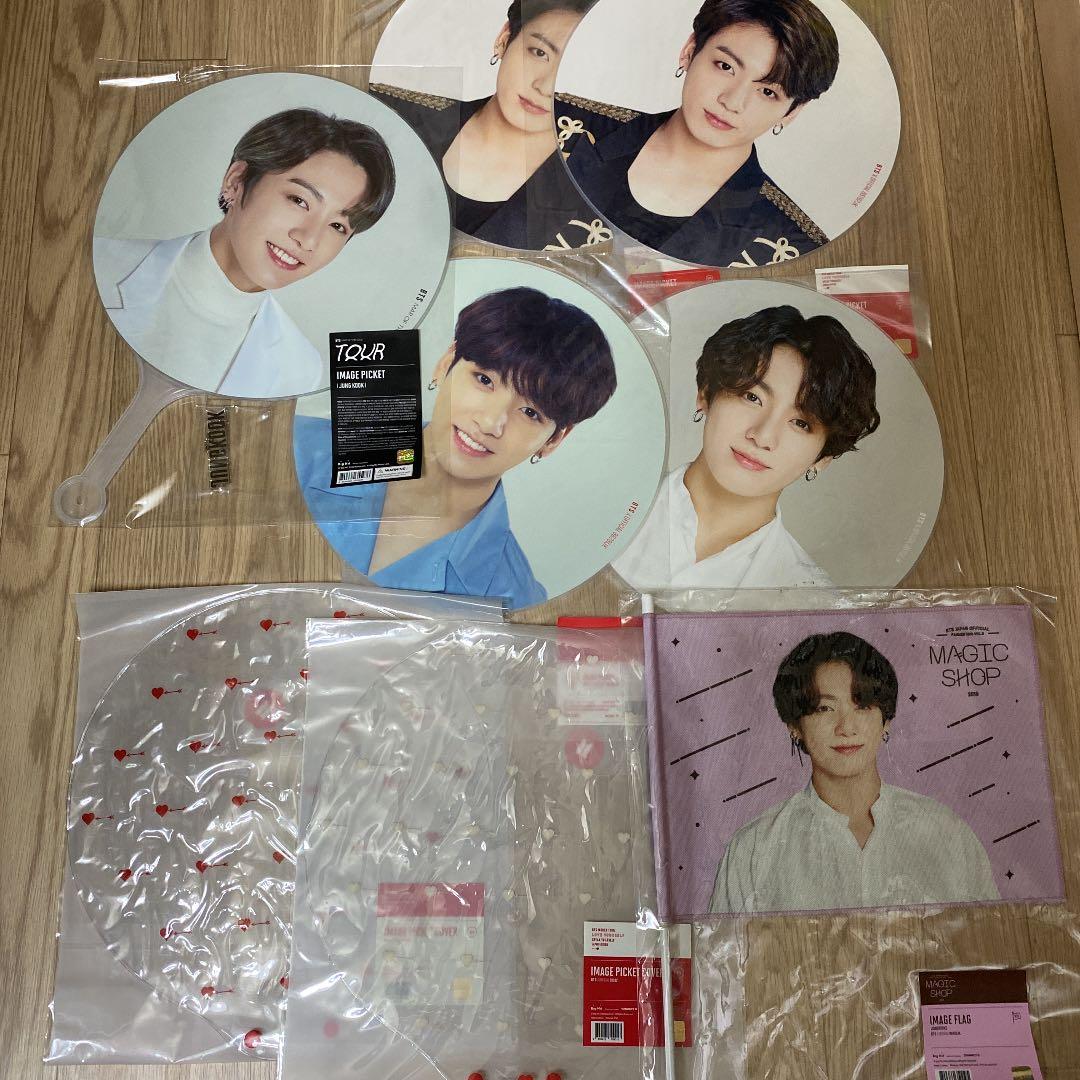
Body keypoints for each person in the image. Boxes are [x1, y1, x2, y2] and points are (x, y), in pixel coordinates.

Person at [294, 286, 618, 608]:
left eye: (530, 413)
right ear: (446, 363)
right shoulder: (296, 445)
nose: (490, 423)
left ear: (554, 440)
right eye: (484, 380)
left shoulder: (514, 599)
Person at [95, 108, 396, 397]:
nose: (308, 240)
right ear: (236, 181)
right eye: (299, 201)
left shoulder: (299, 368)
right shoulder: (99, 263)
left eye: (337, 226)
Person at [711, 632, 1001, 913]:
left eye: (862, 705)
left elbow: (991, 939)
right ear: (795, 726)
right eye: (824, 708)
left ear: (885, 720)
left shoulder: (947, 833)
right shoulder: (754, 848)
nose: (846, 728)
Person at [613, 305, 878, 590]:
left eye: (800, 423)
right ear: (705, 393)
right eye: (752, 397)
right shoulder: (606, 504)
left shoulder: (810, 595)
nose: (762, 437)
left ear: (823, 458)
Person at [557, 0, 839, 266]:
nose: (732, 102)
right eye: (726, 66)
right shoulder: (560, 122)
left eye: (767, 92)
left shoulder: (795, 246)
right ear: (689, 51)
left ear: (792, 111)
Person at [372, 0, 608, 251]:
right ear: (504, 39)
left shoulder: (604, 171)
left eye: (571, 68)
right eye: (539, 53)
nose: (545, 86)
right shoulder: (402, 118)